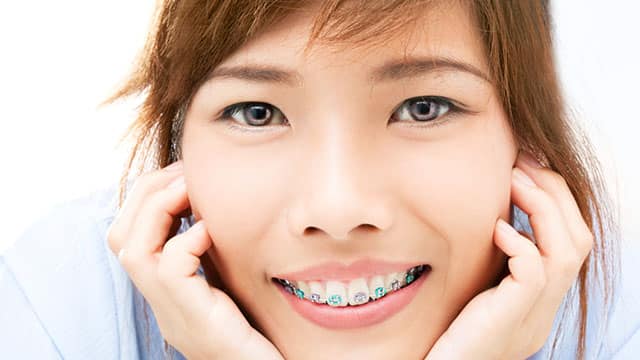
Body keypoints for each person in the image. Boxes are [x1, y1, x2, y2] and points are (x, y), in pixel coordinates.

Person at [1, 1, 639, 359]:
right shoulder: (63, 300)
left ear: (523, 137)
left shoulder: (615, 311)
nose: (337, 208)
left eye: (424, 108)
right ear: (177, 147)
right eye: (258, 113)